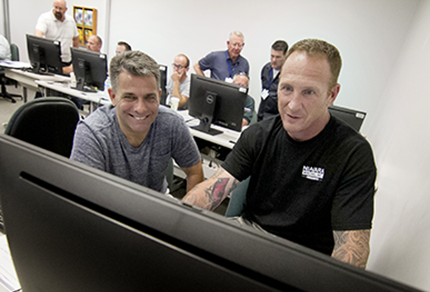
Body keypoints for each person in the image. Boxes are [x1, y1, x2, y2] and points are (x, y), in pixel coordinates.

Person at [183, 38, 377, 269]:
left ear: (332, 95)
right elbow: (213, 188)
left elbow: (352, 248)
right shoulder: (259, 134)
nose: (293, 105)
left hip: (308, 258)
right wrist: (176, 221)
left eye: (309, 92)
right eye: (287, 88)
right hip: (252, 234)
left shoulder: (353, 153)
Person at [70, 50, 204, 194]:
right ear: (113, 96)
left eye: (149, 97)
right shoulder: (92, 133)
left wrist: (187, 213)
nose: (140, 108)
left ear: (159, 96)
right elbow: (82, 198)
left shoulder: (172, 124)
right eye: (130, 97)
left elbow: (195, 172)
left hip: (156, 205)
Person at [34, 0, 79, 72]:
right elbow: (38, 36)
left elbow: (76, 38)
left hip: (66, 61)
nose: (57, 10)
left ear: (65, 9)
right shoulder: (45, 18)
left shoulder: (71, 21)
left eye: (60, 8)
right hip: (50, 62)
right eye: (56, 7)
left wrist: (75, 58)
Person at [257, 40, 288, 121]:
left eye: (278, 57)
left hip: (277, 117)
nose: (274, 60)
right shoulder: (266, 69)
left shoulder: (288, 74)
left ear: (286, 56)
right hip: (263, 114)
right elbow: (263, 93)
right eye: (272, 56)